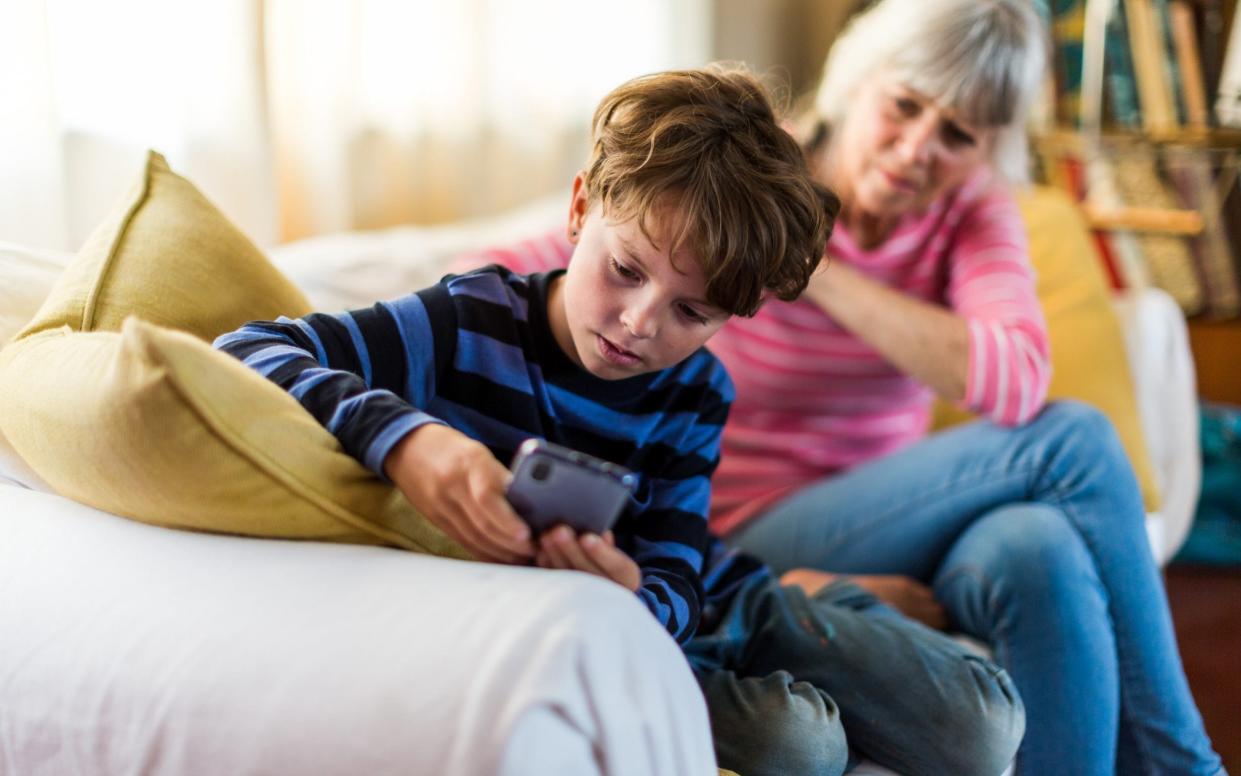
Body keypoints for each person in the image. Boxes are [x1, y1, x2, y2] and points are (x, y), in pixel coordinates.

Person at [447, 3, 1227, 774]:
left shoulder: (970, 211)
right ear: (859, 81)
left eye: (957, 134)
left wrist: (813, 270)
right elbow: (571, 251)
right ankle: (1180, 763)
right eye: (904, 106)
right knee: (1075, 440)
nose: (917, 148)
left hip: (895, 516)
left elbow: (1014, 381)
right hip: (741, 526)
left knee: (1039, 545)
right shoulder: (758, 183)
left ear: (988, 149)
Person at [216, 65, 1024, 776]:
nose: (640, 323)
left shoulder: (695, 391)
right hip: (618, 641)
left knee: (985, 728)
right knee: (799, 746)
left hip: (704, 603)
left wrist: (635, 592)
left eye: (691, 311)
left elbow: (676, 571)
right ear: (580, 210)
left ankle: (827, 606)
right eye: (625, 269)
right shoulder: (468, 321)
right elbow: (248, 348)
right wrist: (409, 442)